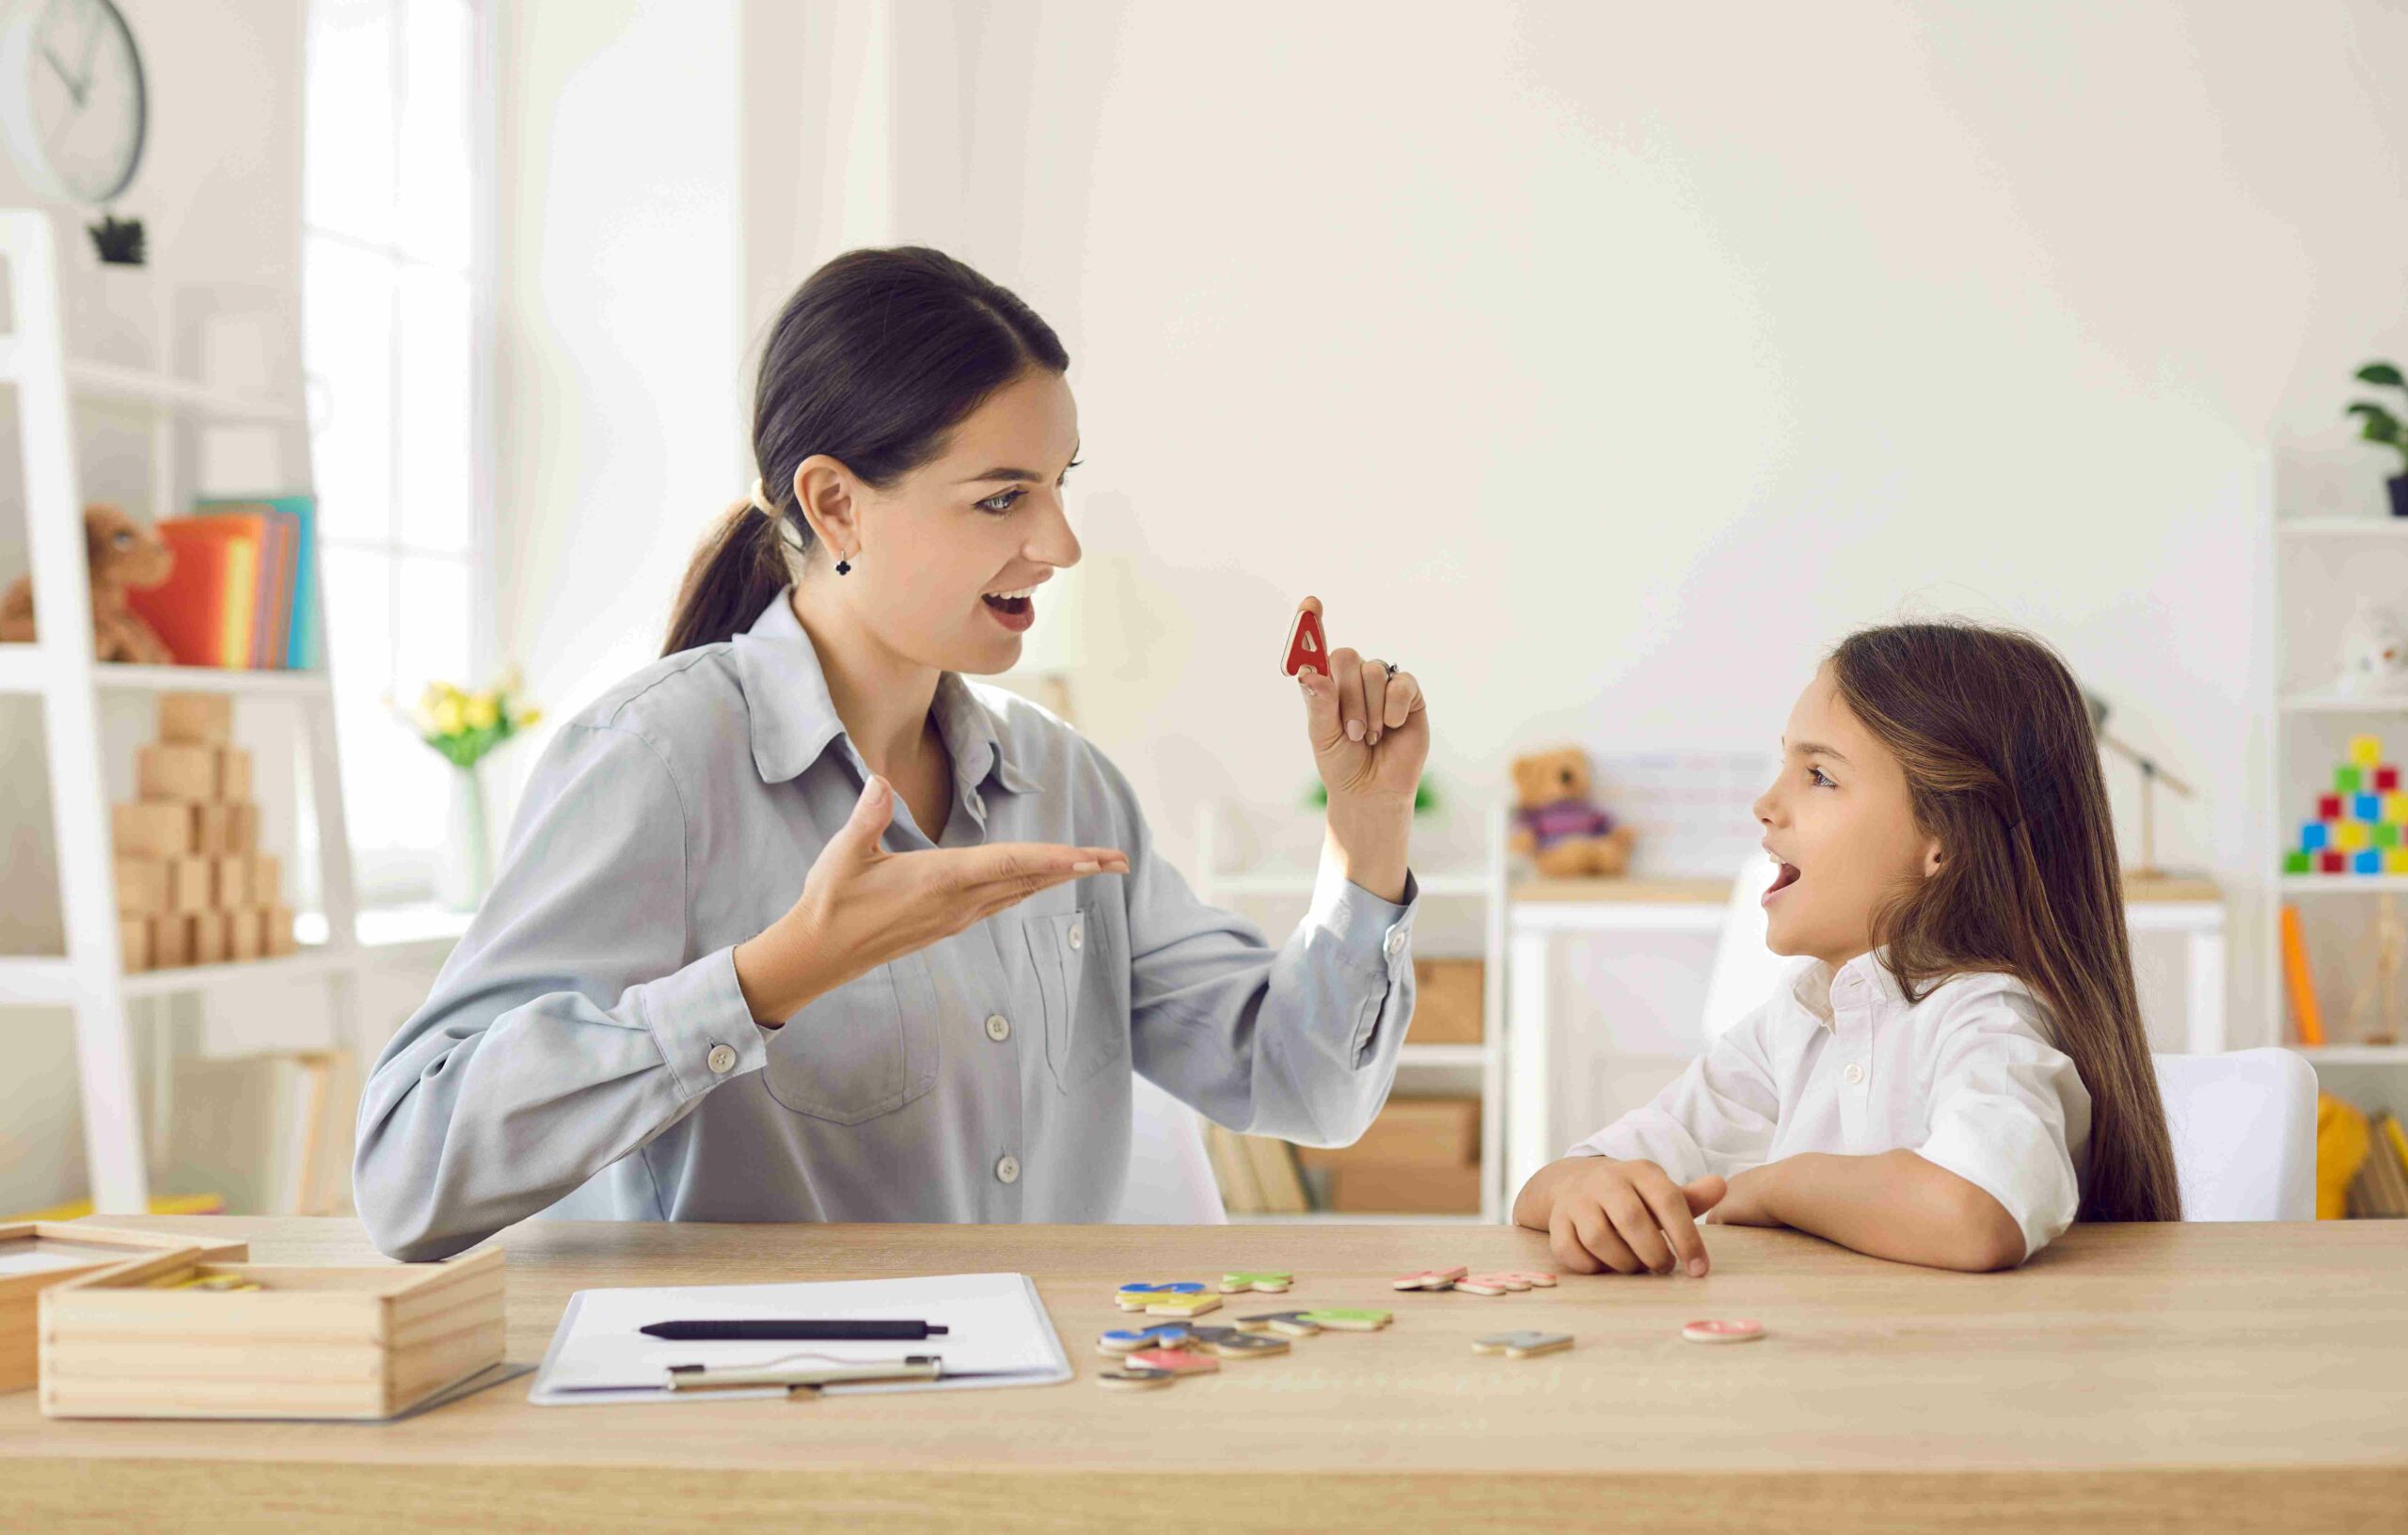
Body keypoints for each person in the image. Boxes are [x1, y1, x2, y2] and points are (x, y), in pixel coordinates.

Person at [355, 247, 1432, 1261]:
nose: (1059, 544)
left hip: (1031, 1424)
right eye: (1004, 496)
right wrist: (774, 977)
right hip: (754, 1435)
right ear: (836, 506)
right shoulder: (660, 764)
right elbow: (409, 1175)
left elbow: (1306, 1089)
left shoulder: (1066, 787)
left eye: (1061, 484)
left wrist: (1366, 826)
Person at [1514, 622, 2180, 1275]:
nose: (1766, 803)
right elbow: (1550, 1186)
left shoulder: (1988, 1017)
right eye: (1785, 765)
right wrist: (1586, 1190)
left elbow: (1976, 1215)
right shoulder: (1796, 1024)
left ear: (1943, 839)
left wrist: (1777, 1185)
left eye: (1820, 775)